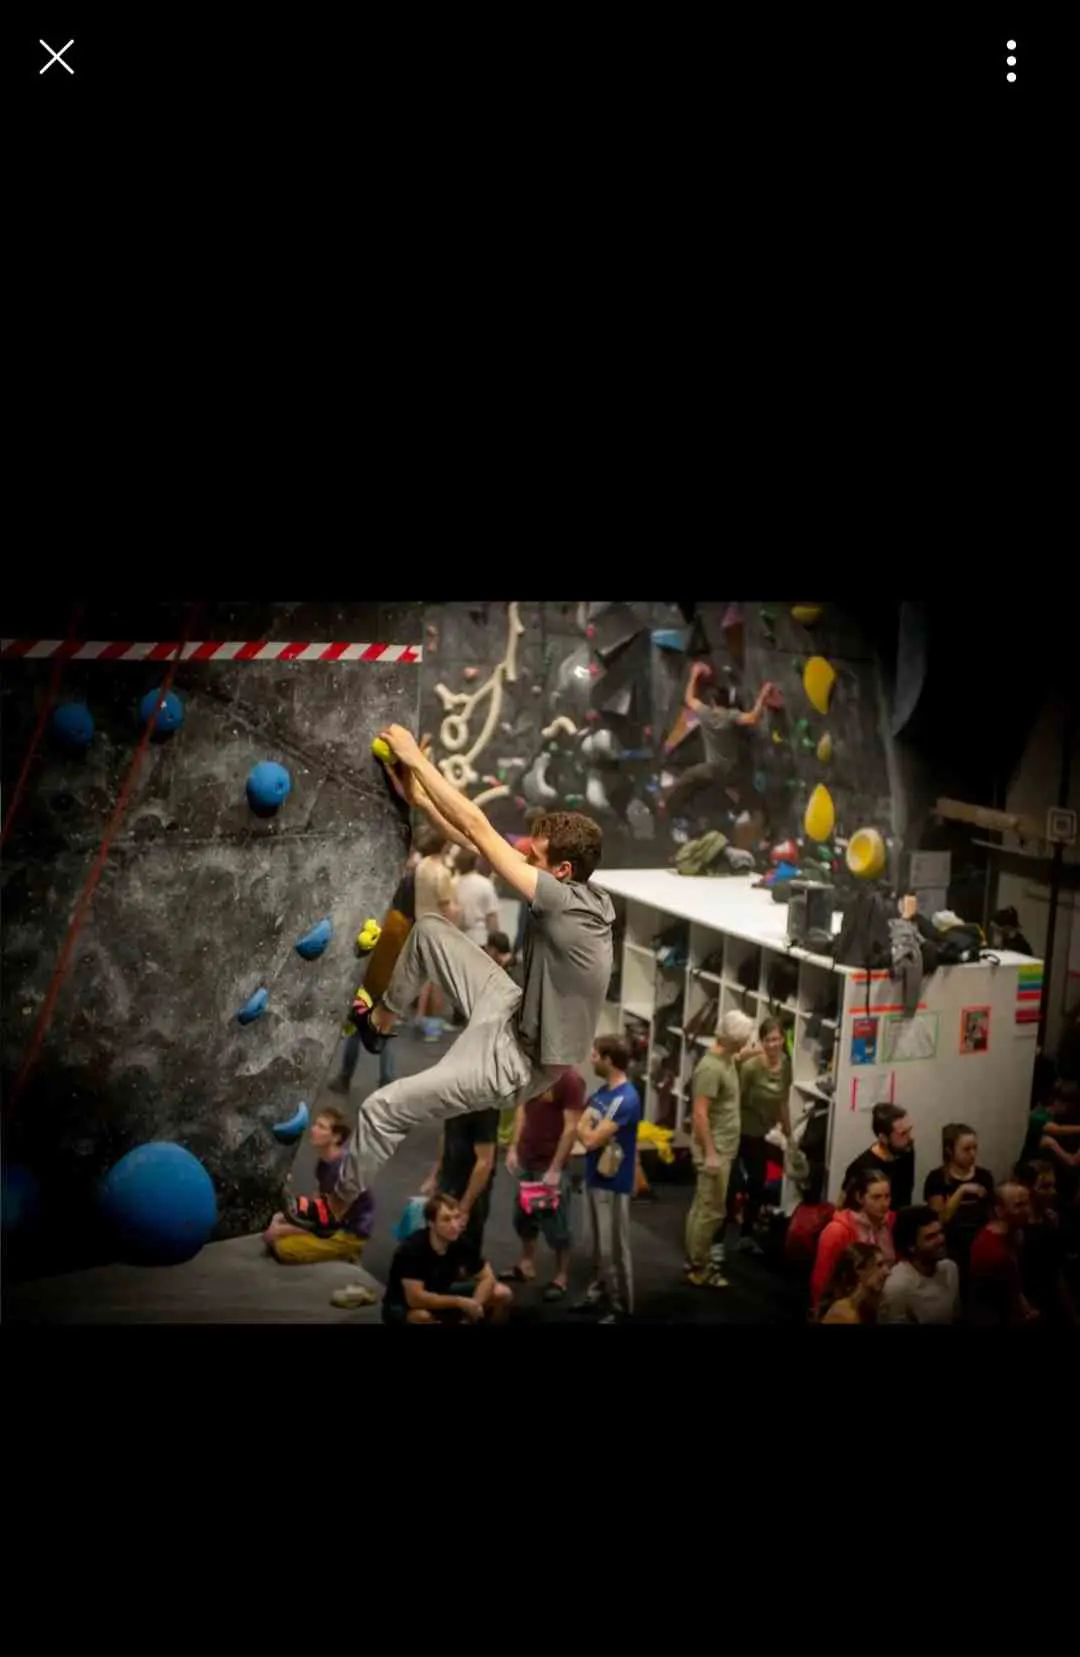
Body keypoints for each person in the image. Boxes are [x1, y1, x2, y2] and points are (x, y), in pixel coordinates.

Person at [292, 724, 614, 1243]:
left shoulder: (564, 903)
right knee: (430, 932)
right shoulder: (581, 890)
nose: (526, 860)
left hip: (517, 1060)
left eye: (536, 857)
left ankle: (335, 1207)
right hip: (512, 1006)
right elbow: (474, 839)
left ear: (563, 870)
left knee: (382, 1108)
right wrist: (419, 797)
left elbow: (479, 825)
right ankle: (379, 1025)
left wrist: (417, 759)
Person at [571, 1036, 642, 1322]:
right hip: (594, 1177)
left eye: (595, 1055)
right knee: (595, 1245)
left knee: (614, 1248)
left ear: (608, 1060)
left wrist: (588, 1129)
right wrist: (587, 1129)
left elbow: (589, 1139)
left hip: (613, 1184)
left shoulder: (625, 1099)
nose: (591, 1059)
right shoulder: (602, 1093)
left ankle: (621, 1306)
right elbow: (580, 1125)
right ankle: (598, 1291)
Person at [684, 1009, 755, 1288]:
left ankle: (694, 1259)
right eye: (743, 1040)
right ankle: (700, 1267)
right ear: (731, 1040)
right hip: (716, 1150)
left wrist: (757, 1052)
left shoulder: (725, 1059)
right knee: (711, 1211)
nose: (745, 1044)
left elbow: (736, 1058)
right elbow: (700, 1114)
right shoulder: (710, 1069)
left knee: (703, 1206)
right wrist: (711, 1153)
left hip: (723, 1147)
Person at [502, 1069, 586, 1301]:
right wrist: (513, 1147)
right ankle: (527, 1263)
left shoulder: (569, 1081)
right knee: (523, 1217)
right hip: (527, 1159)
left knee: (557, 1224)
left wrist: (556, 1167)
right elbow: (521, 1110)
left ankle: (561, 1276)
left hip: (550, 1163)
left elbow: (571, 1127)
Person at [263, 1106, 375, 1265]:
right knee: (280, 1220)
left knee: (282, 1248)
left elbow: (325, 1224)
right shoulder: (325, 1161)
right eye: (316, 1124)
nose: (313, 1129)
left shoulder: (340, 1172)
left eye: (321, 1127)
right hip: (333, 1220)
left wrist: (284, 1230)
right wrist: (290, 1217)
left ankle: (346, 1251)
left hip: (348, 1231)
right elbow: (318, 1204)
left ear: (336, 1137)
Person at [663, 662, 775, 819]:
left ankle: (668, 806)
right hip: (730, 770)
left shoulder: (706, 713)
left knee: (688, 778)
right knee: (740, 787)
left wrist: (694, 674)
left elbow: (689, 698)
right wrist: (763, 695)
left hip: (711, 769)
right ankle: (752, 808)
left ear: (713, 703)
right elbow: (753, 717)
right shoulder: (730, 716)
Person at [382, 1192, 512, 1325]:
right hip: (402, 1305)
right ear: (431, 1223)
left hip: (440, 1293)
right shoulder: (412, 1249)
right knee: (422, 1317)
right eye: (446, 1219)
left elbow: (487, 1277)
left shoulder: (461, 1242)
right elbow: (415, 1299)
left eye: (457, 1217)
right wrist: (459, 1302)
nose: (454, 1225)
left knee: (502, 1293)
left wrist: (474, 1304)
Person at [728, 1015, 793, 1256]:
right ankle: (720, 1236)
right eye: (769, 1040)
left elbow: (783, 1100)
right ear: (762, 1041)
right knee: (732, 1180)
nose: (774, 1044)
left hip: (761, 1131)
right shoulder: (751, 1068)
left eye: (777, 1039)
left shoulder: (785, 1065)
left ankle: (746, 1234)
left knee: (759, 1180)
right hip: (740, 1128)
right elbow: (735, 1099)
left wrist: (788, 1132)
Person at [810, 1165, 895, 1310]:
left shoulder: (889, 1224)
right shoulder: (837, 1231)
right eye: (876, 1197)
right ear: (859, 1198)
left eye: (887, 1197)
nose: (884, 1204)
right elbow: (821, 1280)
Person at [420, 1107, 500, 1258]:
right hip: (449, 1178)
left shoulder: (485, 1110)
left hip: (471, 1185)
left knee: (465, 1243)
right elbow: (446, 1135)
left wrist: (464, 1207)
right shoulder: (456, 1102)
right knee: (440, 1237)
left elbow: (485, 1162)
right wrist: (434, 1175)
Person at [922, 1123, 995, 1288]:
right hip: (951, 1247)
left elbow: (992, 1215)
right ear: (950, 1150)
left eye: (975, 1148)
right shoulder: (937, 1178)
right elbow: (940, 1219)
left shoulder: (984, 1176)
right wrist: (962, 1190)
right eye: (966, 1149)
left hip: (979, 1244)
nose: (973, 1154)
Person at [1015, 1159, 1078, 1326]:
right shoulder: (1018, 1226)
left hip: (1052, 1299)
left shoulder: (1051, 1219)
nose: (1052, 1192)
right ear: (1027, 1188)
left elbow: (1056, 1269)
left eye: (1053, 1186)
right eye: (1045, 1187)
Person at [967, 1181, 1039, 1326]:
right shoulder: (993, 1251)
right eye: (1019, 1205)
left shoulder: (1014, 1233)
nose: (1028, 1210)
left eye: (1028, 1203)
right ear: (999, 1210)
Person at [878, 1205, 960, 1324]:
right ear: (911, 1247)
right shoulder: (898, 1286)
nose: (941, 1240)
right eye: (930, 1237)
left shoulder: (950, 1269)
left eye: (941, 1232)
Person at [413, 826, 458, 1038]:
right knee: (437, 980)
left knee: (426, 978)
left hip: (421, 923)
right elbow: (447, 906)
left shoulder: (421, 866)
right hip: (439, 929)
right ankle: (433, 1024)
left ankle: (421, 1016)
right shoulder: (442, 873)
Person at [842, 1102, 915, 1210]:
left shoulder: (906, 1151)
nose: (910, 1137)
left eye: (909, 1130)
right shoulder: (861, 1167)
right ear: (883, 1138)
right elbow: (842, 1209)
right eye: (903, 1134)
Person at [815, 1242, 888, 1324]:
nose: (887, 1271)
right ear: (859, 1271)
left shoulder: (863, 1307)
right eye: (878, 1265)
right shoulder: (842, 1313)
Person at [453, 848, 499, 947]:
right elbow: (491, 916)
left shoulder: (452, 883)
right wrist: (495, 942)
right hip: (480, 937)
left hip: (457, 937)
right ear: (475, 862)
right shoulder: (485, 883)